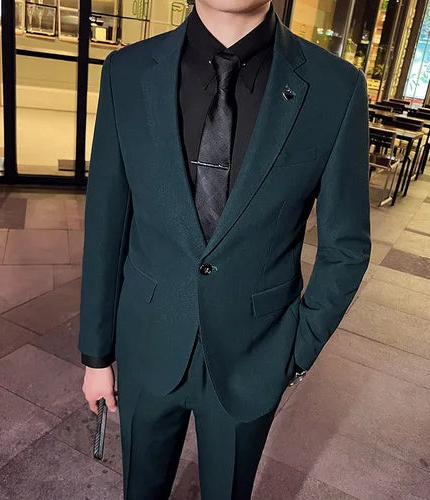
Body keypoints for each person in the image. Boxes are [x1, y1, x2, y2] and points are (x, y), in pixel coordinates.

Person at [78, 1, 371, 498]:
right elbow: (106, 223)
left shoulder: (335, 88)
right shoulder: (127, 72)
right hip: (147, 341)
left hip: (255, 354)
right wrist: (96, 353)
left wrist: (296, 350)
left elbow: (346, 246)